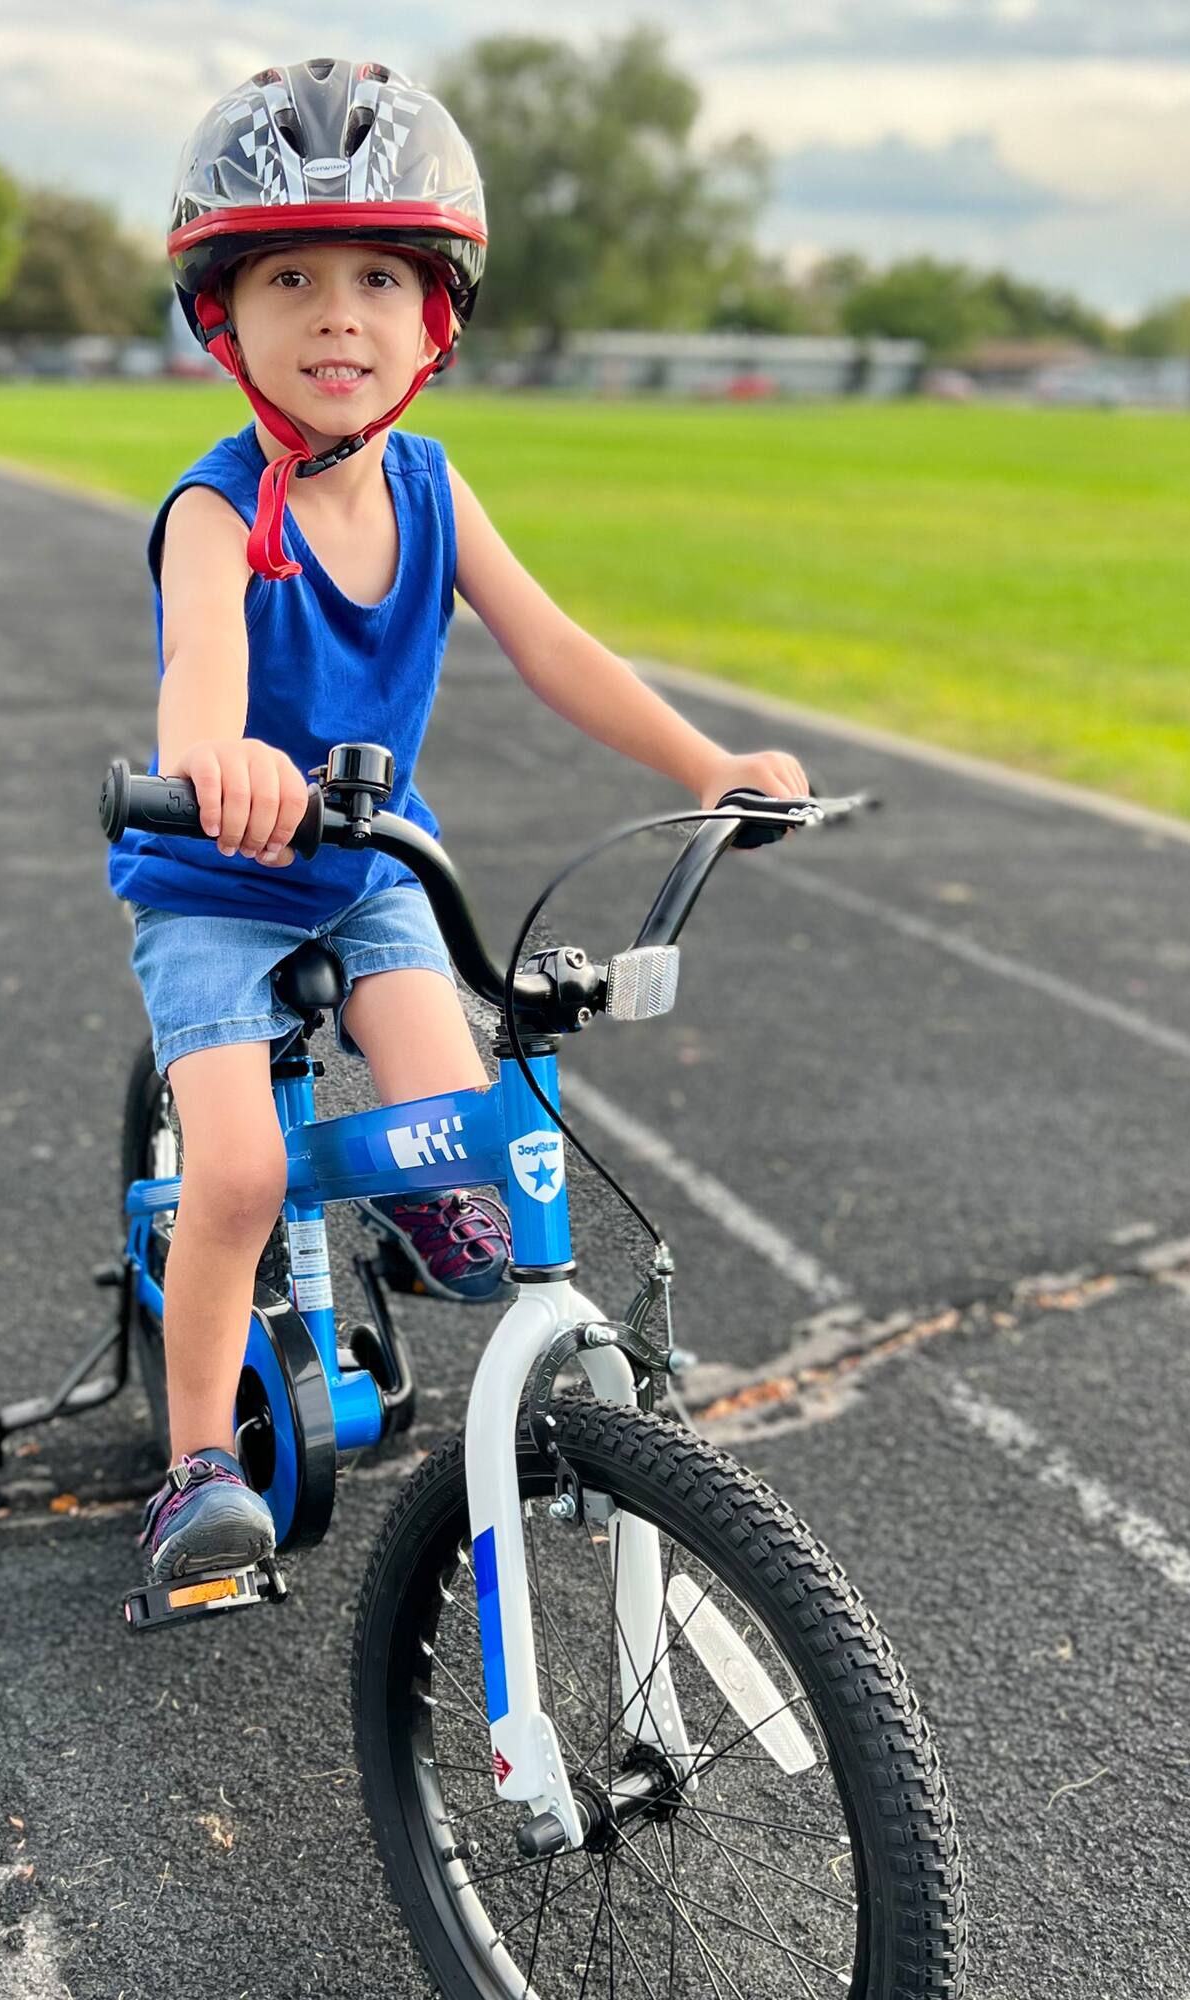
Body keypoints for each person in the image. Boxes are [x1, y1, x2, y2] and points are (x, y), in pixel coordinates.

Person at [110, 57, 809, 1582]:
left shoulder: (433, 488)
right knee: (232, 1173)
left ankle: (422, 1218)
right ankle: (192, 1474)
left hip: (368, 866)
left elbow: (558, 649)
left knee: (462, 1112)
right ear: (225, 318)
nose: (339, 314)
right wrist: (219, 762)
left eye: (379, 275)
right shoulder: (220, 510)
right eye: (290, 277)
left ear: (439, 315)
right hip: (216, 877)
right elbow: (200, 670)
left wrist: (706, 764)